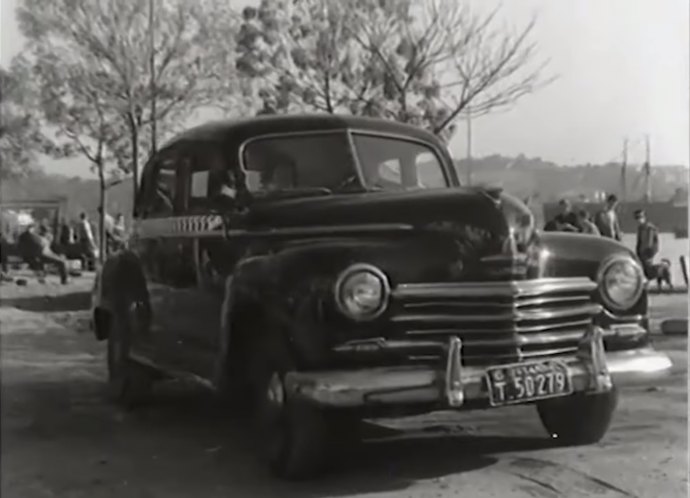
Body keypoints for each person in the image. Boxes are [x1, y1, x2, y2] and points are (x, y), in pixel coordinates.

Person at [634, 209, 659, 279]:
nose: (638, 219)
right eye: (637, 218)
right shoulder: (640, 228)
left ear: (644, 217)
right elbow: (639, 241)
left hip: (648, 251)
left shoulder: (650, 228)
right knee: (643, 268)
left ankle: (659, 273)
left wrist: (647, 253)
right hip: (642, 251)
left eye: (640, 217)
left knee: (648, 268)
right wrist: (638, 251)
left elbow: (650, 242)